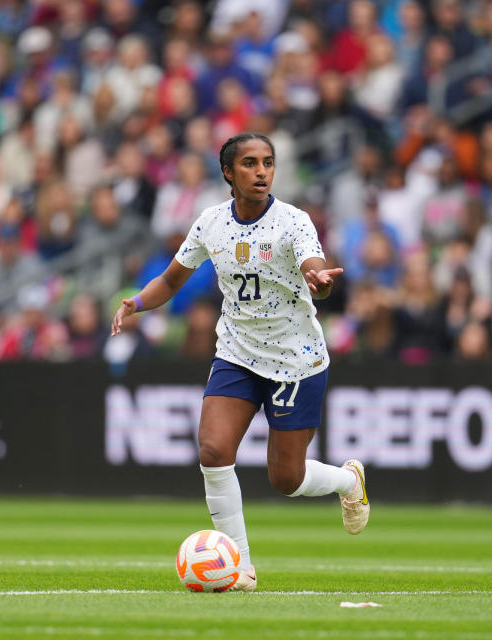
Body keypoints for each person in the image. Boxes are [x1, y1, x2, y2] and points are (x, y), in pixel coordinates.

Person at [110, 133, 368, 592]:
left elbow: (316, 268)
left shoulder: (294, 222)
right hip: (237, 352)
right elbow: (171, 281)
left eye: (268, 162)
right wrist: (137, 302)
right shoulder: (210, 223)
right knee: (212, 449)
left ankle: (349, 480)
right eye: (250, 163)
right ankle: (241, 568)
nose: (262, 171)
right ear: (228, 172)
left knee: (285, 479)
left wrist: (320, 282)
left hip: (295, 359)